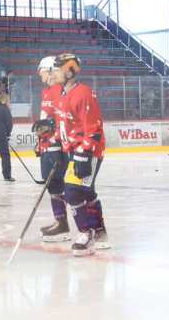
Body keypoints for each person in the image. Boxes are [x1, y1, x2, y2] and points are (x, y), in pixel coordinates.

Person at [53, 53, 110, 256]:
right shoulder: (62, 94)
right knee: (87, 192)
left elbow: (94, 127)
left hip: (89, 152)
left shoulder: (84, 93)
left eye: (58, 69)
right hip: (73, 151)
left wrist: (84, 153)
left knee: (72, 192)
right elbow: (65, 126)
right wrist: (55, 142)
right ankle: (100, 232)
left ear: (70, 71)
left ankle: (86, 233)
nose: (54, 73)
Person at [34, 56, 70, 242]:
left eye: (41, 70)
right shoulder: (47, 91)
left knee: (58, 185)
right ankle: (60, 222)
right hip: (47, 145)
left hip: (55, 147)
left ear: (49, 70)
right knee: (53, 186)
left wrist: (56, 143)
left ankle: (66, 225)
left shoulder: (58, 90)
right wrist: (40, 142)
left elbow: (63, 118)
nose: (39, 73)